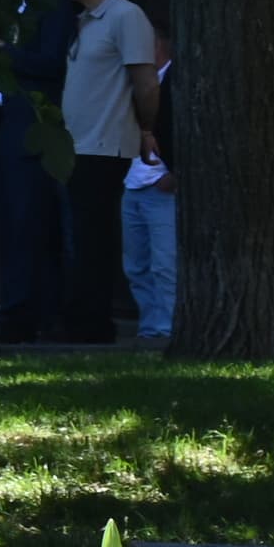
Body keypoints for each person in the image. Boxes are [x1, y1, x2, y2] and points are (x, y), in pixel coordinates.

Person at [61, 0, 157, 344]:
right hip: (77, 143)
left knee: (93, 236)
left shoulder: (125, 16)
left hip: (103, 145)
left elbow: (146, 83)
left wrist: (147, 128)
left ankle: (94, 324)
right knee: (82, 236)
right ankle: (81, 319)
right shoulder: (83, 21)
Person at [0, 0, 74, 345]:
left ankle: (23, 315)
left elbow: (53, 64)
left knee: (28, 224)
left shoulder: (51, 8)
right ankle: (27, 312)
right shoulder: (9, 11)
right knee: (15, 223)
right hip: (7, 127)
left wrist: (5, 53)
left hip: (32, 128)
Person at [123, 31, 177, 345]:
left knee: (165, 264)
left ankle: (168, 329)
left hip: (160, 184)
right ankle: (151, 326)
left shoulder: (175, 82)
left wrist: (176, 174)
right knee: (137, 265)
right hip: (134, 183)